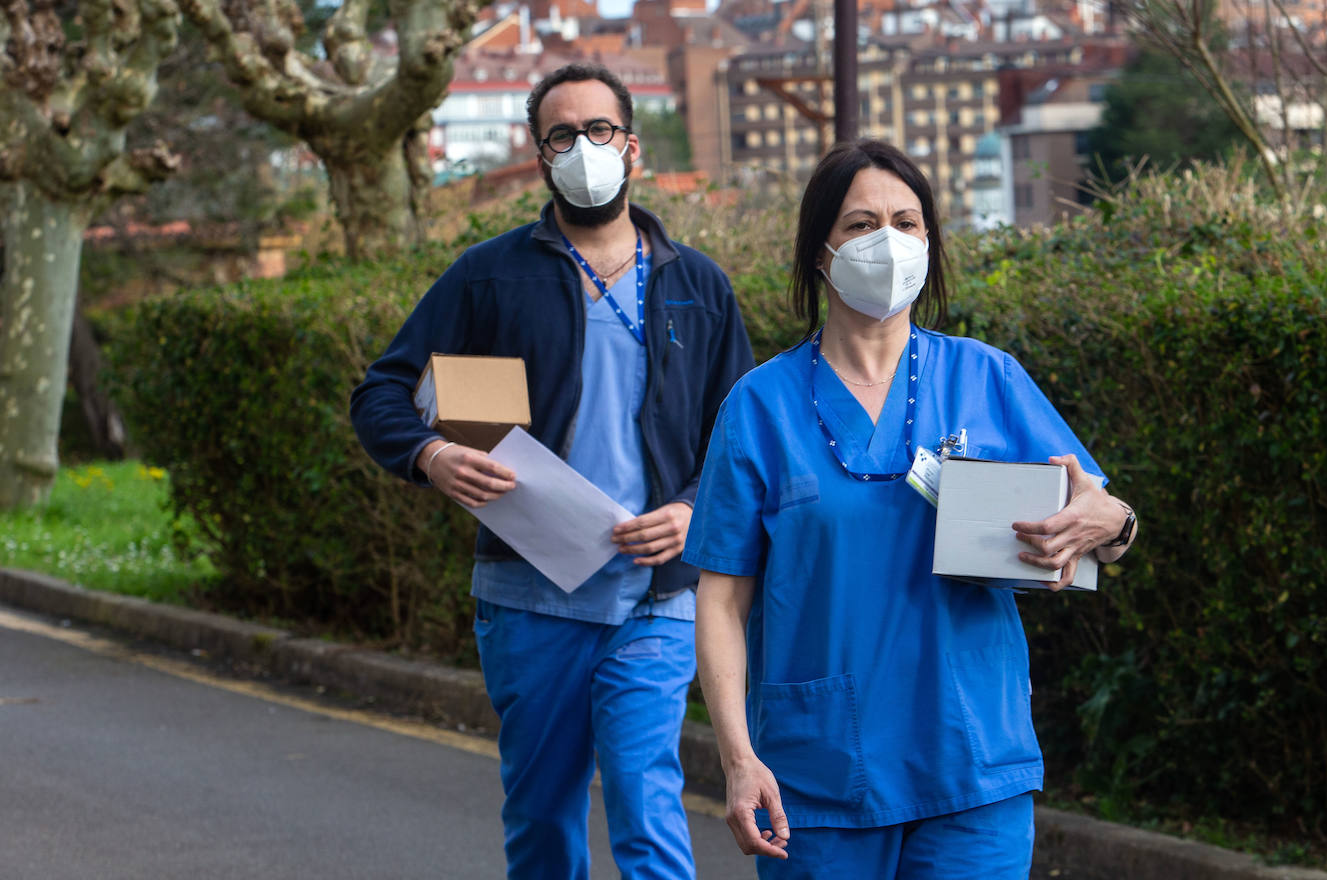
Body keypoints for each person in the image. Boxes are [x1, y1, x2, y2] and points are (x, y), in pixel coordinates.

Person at [682, 140, 1138, 879]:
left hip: (971, 764)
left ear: (930, 241)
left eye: (907, 221)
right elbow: (722, 601)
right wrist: (737, 758)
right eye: (861, 223)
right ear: (820, 250)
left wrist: (1113, 524)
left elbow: (1097, 525)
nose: (887, 241)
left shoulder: (987, 377)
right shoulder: (759, 408)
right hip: (820, 775)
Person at [350, 63, 754, 880]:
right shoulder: (489, 273)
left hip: (657, 595)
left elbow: (740, 442)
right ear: (540, 155)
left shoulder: (698, 284)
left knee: (647, 804)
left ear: (632, 147)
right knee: (543, 817)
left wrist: (692, 509)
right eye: (561, 135)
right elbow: (382, 392)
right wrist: (432, 455)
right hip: (529, 598)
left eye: (598, 130)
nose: (581, 147)